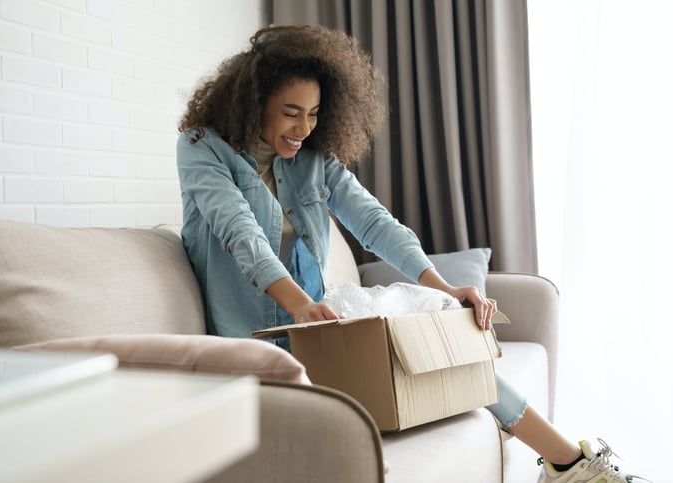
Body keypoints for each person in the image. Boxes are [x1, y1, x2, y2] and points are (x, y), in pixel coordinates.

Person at [176, 24, 648, 483]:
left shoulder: (314, 159)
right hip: (254, 345)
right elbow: (242, 235)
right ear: (254, 104)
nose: (305, 127)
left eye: (315, 113)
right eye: (291, 112)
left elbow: (375, 223)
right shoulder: (201, 149)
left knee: (449, 359)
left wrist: (443, 289)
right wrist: (300, 305)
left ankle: (571, 464)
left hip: (317, 333)